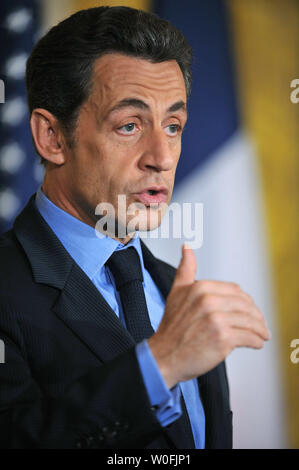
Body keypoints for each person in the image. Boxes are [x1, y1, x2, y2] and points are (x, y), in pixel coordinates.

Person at [0, 6, 270, 449]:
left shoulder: (173, 288)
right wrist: (158, 367)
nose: (162, 157)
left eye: (173, 125)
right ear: (52, 137)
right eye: (129, 125)